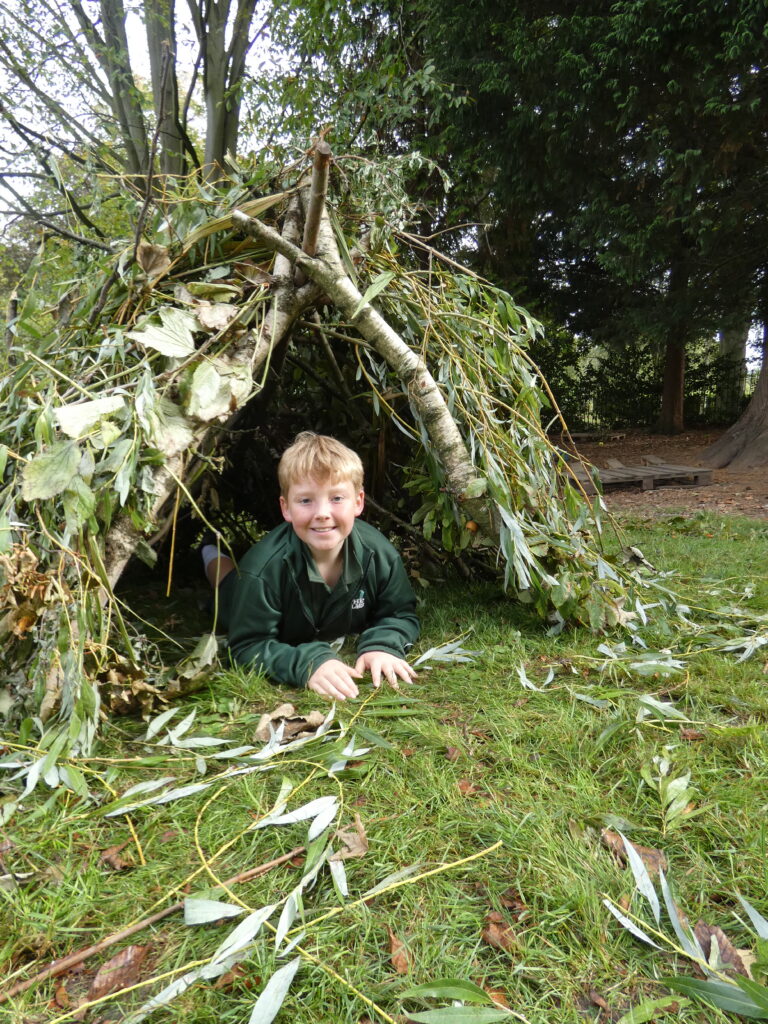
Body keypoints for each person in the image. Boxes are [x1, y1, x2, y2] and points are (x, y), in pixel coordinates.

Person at [201, 432, 419, 701]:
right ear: (286, 508)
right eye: (306, 500)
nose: (322, 513)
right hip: (238, 592)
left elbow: (400, 613)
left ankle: (211, 548)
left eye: (337, 498)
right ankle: (208, 549)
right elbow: (247, 646)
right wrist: (307, 663)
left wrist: (383, 646)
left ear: (358, 502)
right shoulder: (260, 572)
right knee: (224, 583)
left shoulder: (380, 554)